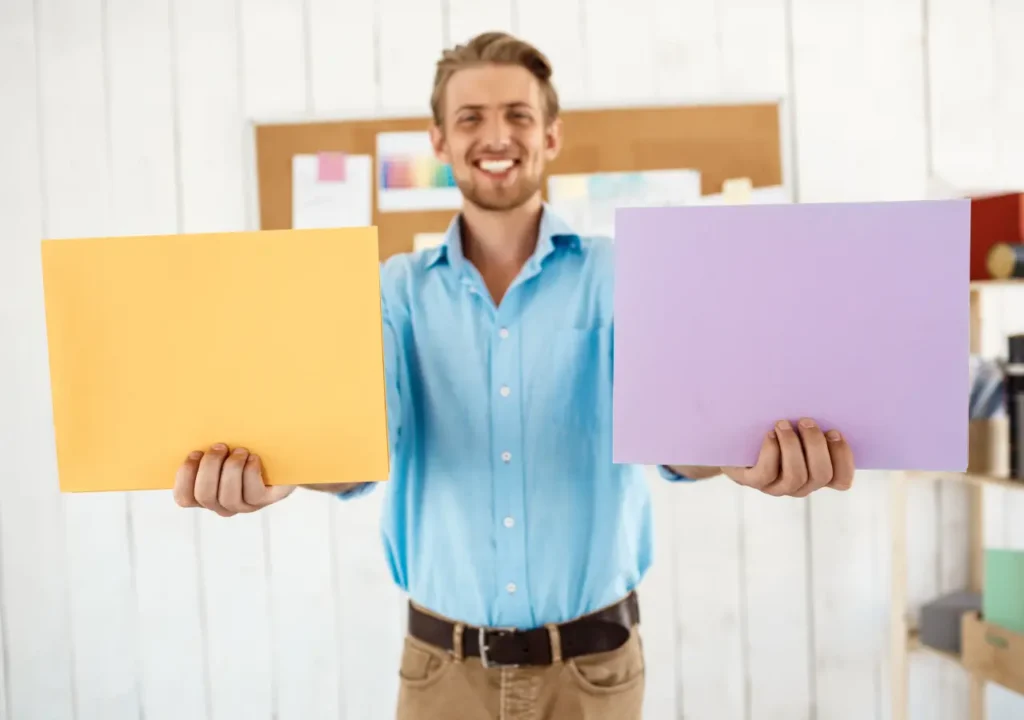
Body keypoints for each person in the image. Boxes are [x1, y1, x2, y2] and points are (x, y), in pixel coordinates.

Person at [173, 31, 855, 720]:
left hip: (595, 672)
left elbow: (675, 438)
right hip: (441, 675)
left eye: (517, 115)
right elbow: (358, 451)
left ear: (551, 136)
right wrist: (283, 470)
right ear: (438, 141)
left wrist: (739, 456)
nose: (495, 135)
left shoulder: (623, 273)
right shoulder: (394, 290)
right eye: (470, 117)